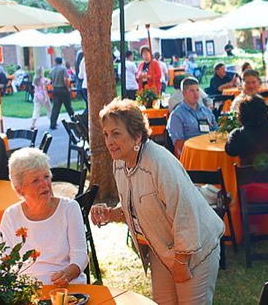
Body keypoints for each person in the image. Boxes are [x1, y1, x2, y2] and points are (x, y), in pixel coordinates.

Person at [90, 99, 225, 304]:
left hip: (195, 250)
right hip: (163, 251)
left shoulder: (159, 162)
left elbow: (185, 213)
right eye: (106, 134)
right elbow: (136, 206)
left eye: (116, 133)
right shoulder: (119, 163)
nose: (109, 141)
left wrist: (180, 262)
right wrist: (113, 214)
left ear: (136, 135)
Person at [0, 148, 88, 287]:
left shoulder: (69, 208)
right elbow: (2, 258)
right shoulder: (11, 215)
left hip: (66, 289)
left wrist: (67, 274)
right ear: (19, 189)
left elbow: (80, 254)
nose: (44, 184)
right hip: (27, 291)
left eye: (46, 176)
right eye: (35, 180)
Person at [167, 77, 217, 156]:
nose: (196, 94)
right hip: (193, 155)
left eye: (197, 90)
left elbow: (217, 132)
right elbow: (178, 146)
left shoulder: (206, 111)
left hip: (212, 150)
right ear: (184, 93)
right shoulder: (176, 115)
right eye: (192, 91)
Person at [49, 56, 76, 130]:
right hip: (63, 89)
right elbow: (65, 79)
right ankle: (75, 122)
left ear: (56, 62)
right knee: (68, 107)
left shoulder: (52, 70)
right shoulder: (63, 68)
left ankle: (52, 124)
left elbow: (50, 79)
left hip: (55, 90)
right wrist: (68, 88)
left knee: (55, 108)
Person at [31, 66, 51, 130]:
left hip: (36, 96)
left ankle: (32, 124)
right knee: (49, 109)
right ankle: (52, 121)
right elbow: (44, 89)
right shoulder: (43, 80)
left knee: (36, 110)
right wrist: (45, 98)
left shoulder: (35, 79)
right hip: (43, 96)